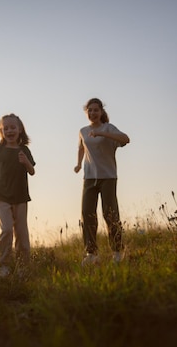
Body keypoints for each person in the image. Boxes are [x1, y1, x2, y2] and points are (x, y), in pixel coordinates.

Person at [74, 98, 130, 266]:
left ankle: (117, 251)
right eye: (89, 110)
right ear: (86, 112)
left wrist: (102, 133)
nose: (92, 113)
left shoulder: (108, 128)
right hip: (89, 177)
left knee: (110, 213)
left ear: (101, 112)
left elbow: (126, 139)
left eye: (95, 110)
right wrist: (78, 163)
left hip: (108, 177)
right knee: (87, 214)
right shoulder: (83, 131)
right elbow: (81, 147)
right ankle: (91, 254)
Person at [0, 113, 36, 277]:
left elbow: (32, 171)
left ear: (20, 129)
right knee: (7, 229)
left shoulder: (24, 150)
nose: (9, 131)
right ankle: (3, 265)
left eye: (13, 127)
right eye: (6, 128)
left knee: (22, 233)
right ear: (1, 131)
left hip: (21, 197)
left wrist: (26, 162)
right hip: (2, 196)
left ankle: (23, 267)